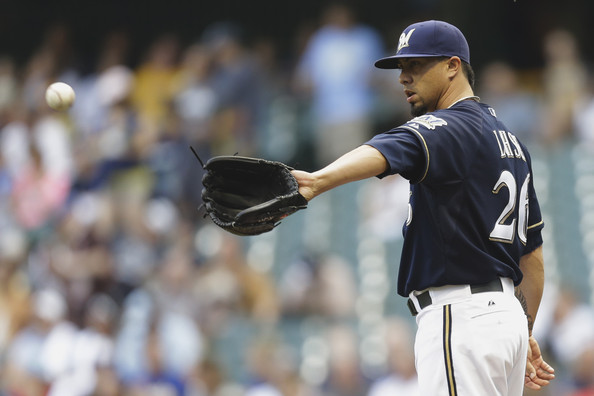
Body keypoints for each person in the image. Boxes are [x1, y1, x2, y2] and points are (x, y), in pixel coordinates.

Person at [292, 20, 555, 395]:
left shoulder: (450, 126)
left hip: (459, 317)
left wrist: (318, 181)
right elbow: (533, 258)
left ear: (452, 65)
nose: (404, 78)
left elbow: (388, 149)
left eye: (416, 65)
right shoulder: (512, 143)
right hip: (505, 322)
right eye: (401, 68)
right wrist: (522, 329)